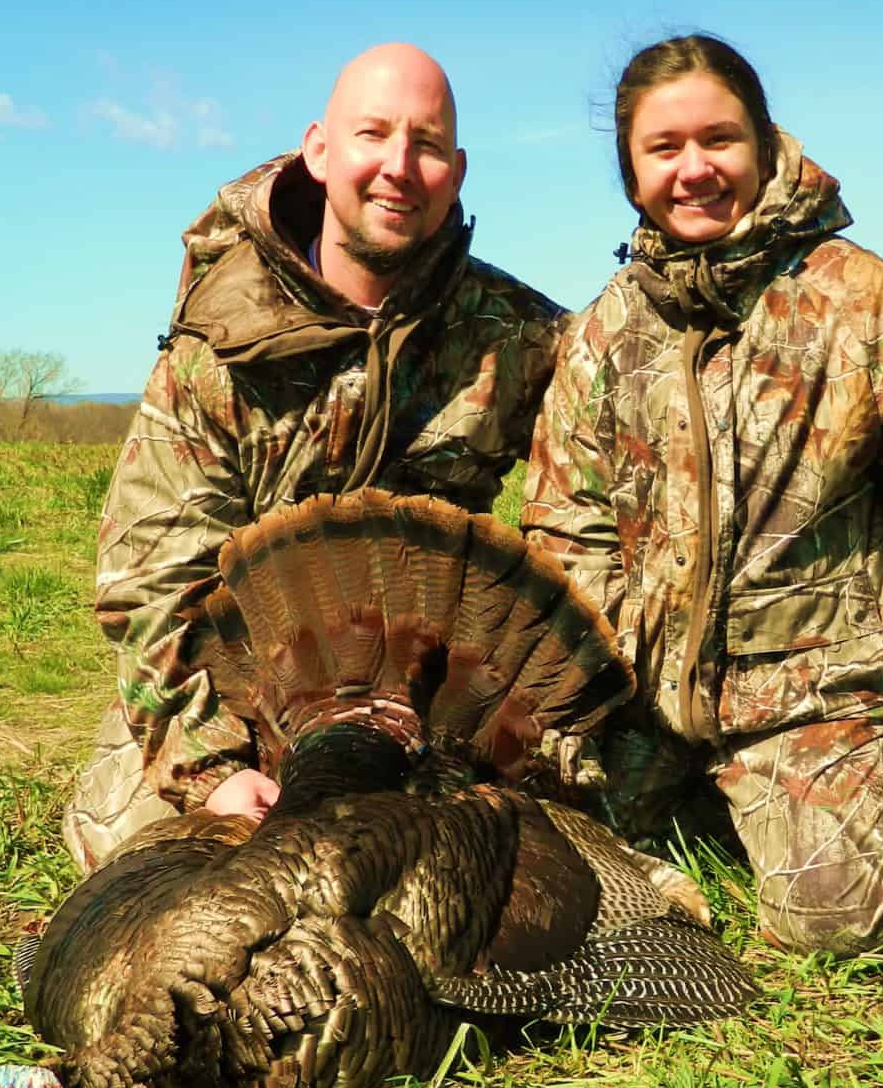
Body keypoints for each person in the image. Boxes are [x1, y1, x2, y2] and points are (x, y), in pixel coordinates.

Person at [522, 34, 883, 955]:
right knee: (513, 857)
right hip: (641, 698)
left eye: (718, 139)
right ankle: (712, 805)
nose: (694, 169)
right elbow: (567, 528)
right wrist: (585, 699)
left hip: (808, 698)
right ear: (633, 172)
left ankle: (819, 791)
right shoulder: (607, 326)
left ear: (763, 145)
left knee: (836, 924)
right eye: (664, 148)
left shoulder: (856, 294)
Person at [65, 43, 564, 873]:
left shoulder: (518, 336)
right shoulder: (217, 343)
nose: (398, 166)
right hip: (244, 689)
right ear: (319, 151)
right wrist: (214, 768)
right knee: (142, 855)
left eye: (426, 143)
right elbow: (148, 578)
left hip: (425, 700)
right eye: (373, 134)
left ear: (457, 171)